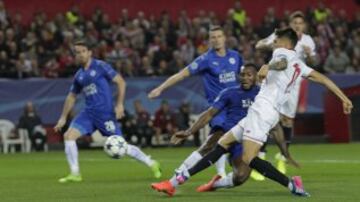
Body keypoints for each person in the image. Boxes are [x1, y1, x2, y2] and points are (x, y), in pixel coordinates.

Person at [152, 28, 353, 197]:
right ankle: (173, 183)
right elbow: (323, 78)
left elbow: (280, 63)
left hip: (263, 112)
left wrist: (268, 65)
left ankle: (292, 184)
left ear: (286, 42)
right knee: (221, 145)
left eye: (277, 40)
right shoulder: (300, 65)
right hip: (260, 111)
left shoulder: (282, 53)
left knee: (249, 159)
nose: (274, 42)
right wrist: (344, 98)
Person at [151, 64, 299, 196]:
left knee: (240, 176)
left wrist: (285, 153)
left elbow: (276, 128)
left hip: (246, 140)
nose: (245, 78)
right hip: (227, 132)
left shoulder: (263, 96)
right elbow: (210, 113)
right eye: (242, 74)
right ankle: (172, 183)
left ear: (256, 77)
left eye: (249, 75)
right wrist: (190, 131)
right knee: (210, 144)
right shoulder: (230, 92)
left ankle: (214, 184)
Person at [54, 40, 161, 183]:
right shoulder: (79, 75)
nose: (80, 55)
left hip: (105, 114)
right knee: (68, 135)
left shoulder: (100, 66)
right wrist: (63, 117)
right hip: (88, 113)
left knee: (122, 146)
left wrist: (119, 105)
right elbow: (72, 96)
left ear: (89, 52)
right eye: (77, 52)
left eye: (82, 51)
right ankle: (75, 173)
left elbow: (121, 82)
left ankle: (152, 163)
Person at [148, 25, 243, 178]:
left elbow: (245, 77)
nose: (217, 40)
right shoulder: (205, 59)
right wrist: (160, 88)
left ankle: (220, 173)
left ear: (225, 38)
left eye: (219, 36)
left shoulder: (236, 56)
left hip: (236, 108)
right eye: (213, 37)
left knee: (224, 144)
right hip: (217, 108)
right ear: (209, 41)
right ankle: (186, 171)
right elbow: (181, 75)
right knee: (217, 137)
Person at [255, 11, 317, 175]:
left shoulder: (308, 40)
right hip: (275, 82)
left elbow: (314, 63)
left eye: (300, 23)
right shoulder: (279, 36)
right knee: (268, 117)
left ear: (304, 26)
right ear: (290, 24)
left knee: (288, 120)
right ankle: (261, 153)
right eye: (295, 22)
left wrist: (309, 54)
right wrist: (272, 44)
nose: (297, 25)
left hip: (294, 85)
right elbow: (259, 45)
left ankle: (283, 157)